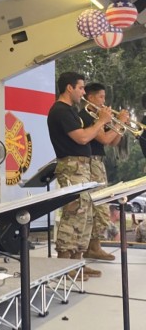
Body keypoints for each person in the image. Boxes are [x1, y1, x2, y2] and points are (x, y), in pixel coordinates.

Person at [46, 72, 112, 280]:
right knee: (74, 214)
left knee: (85, 214)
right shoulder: (60, 111)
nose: (83, 92)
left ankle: (77, 262)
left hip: (82, 167)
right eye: (81, 88)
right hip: (72, 167)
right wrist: (101, 121)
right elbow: (83, 138)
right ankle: (65, 264)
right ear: (69, 88)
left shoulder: (70, 111)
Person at [79, 83, 127, 261]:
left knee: (101, 205)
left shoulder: (100, 117)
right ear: (90, 98)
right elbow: (105, 139)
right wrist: (118, 121)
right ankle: (93, 247)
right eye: (101, 97)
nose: (104, 101)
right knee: (98, 205)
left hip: (98, 162)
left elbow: (114, 142)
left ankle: (94, 246)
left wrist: (120, 126)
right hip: (90, 163)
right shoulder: (87, 116)